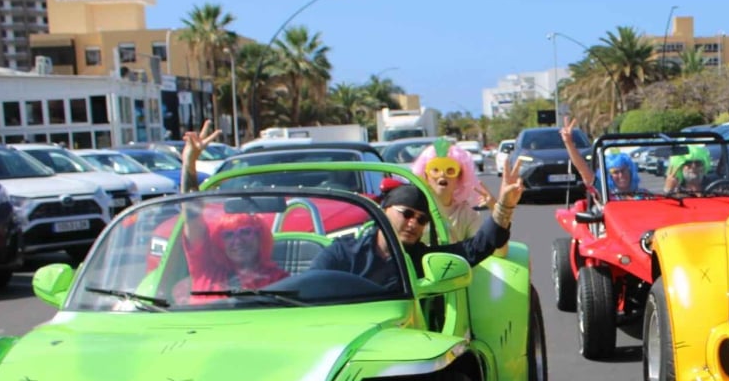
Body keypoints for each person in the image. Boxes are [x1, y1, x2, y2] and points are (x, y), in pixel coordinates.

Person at [309, 160, 524, 287]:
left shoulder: (424, 260)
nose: (413, 223)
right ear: (384, 212)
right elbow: (312, 291)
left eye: (422, 219)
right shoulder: (342, 253)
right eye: (406, 214)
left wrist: (504, 206)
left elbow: (478, 246)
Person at [175, 124, 288, 301]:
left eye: (245, 232)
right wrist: (189, 164)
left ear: (260, 236)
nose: (238, 241)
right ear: (219, 242)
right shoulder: (206, 269)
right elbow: (191, 212)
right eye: (228, 235)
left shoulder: (279, 279)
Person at [411, 138, 490, 241]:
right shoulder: (412, 210)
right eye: (435, 170)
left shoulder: (467, 215)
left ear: (460, 177)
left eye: (450, 170)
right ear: (425, 175)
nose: (443, 175)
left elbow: (489, 250)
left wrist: (501, 212)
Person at [557, 117, 644, 198]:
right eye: (615, 172)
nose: (621, 175)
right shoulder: (606, 193)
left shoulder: (644, 194)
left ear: (630, 170)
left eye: (623, 170)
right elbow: (584, 171)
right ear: (609, 175)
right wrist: (568, 142)